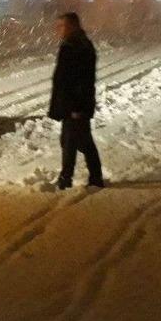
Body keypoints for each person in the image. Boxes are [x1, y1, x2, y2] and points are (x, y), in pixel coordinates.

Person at [48, 12, 104, 190]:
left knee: (76, 142)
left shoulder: (76, 46)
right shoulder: (76, 44)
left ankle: (70, 179)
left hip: (75, 105)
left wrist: (76, 106)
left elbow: (81, 80)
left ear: (72, 26)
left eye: (61, 26)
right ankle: (80, 178)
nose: (58, 30)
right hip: (71, 104)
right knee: (72, 141)